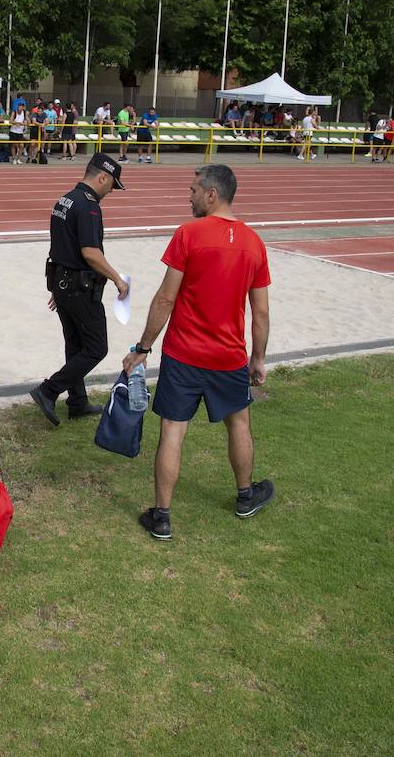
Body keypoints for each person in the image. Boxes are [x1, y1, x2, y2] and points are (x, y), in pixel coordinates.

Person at [122, 164, 274, 541]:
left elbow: (165, 298)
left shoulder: (188, 234)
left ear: (212, 194)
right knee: (239, 423)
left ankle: (161, 517)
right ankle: (244, 496)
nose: (188, 197)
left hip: (184, 355)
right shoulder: (254, 243)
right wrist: (258, 358)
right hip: (229, 357)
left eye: (192, 191)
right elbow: (262, 312)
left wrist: (143, 347)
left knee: (173, 430)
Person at [29, 152, 130, 425]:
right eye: (112, 185)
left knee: (75, 345)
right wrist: (117, 279)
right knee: (96, 348)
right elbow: (90, 253)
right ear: (102, 177)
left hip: (62, 283)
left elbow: (59, 247)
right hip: (79, 288)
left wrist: (56, 288)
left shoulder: (65, 200)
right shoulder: (89, 206)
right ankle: (48, 390)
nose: (111, 191)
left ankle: (78, 402)